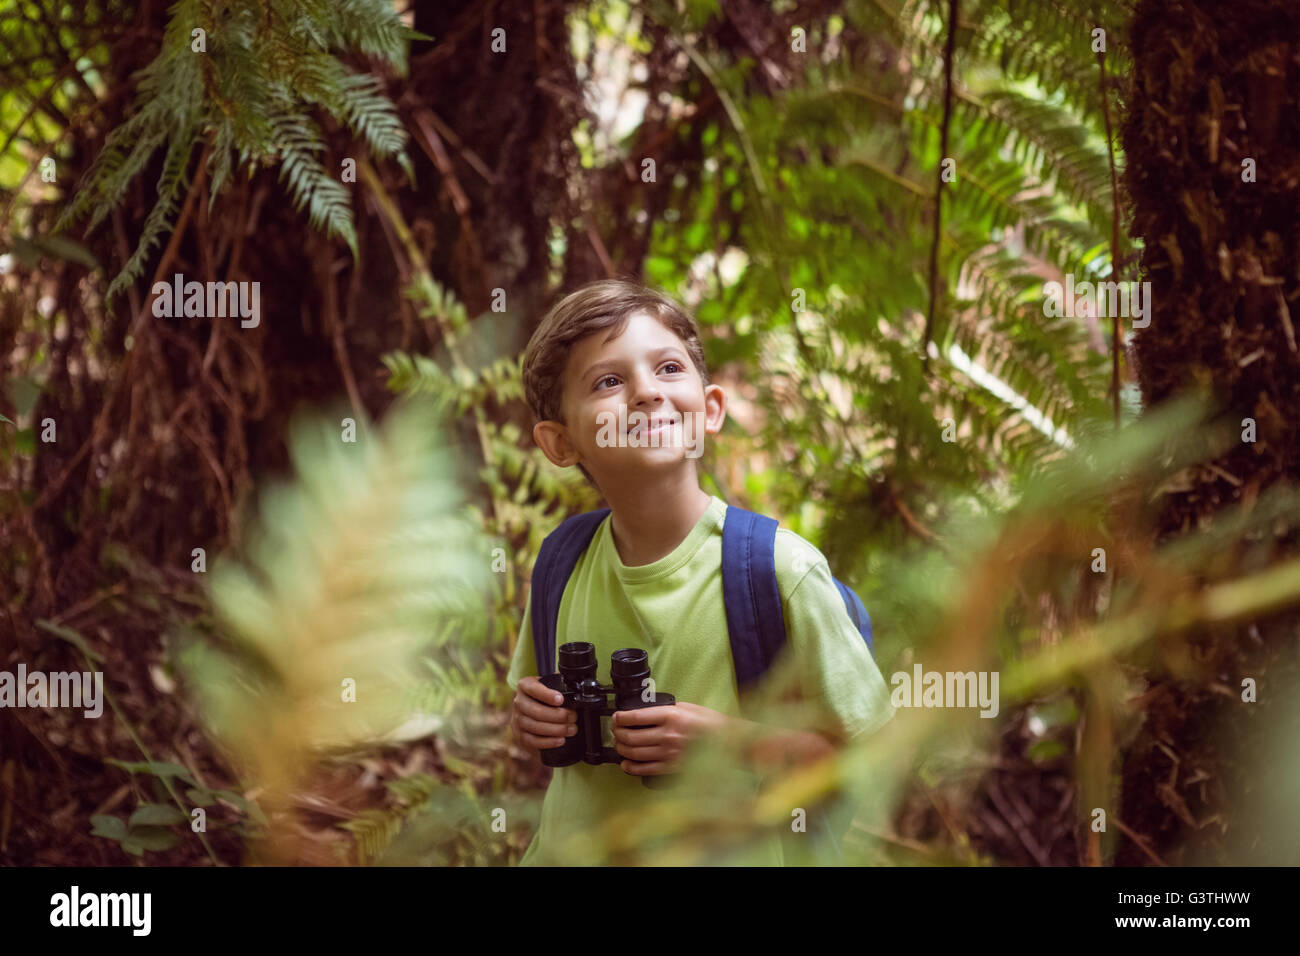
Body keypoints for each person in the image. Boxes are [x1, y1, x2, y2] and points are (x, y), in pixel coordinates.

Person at [506, 278, 894, 865]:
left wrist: (729, 742)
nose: (645, 393)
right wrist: (533, 720)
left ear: (709, 409)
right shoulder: (563, 562)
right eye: (609, 381)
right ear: (560, 443)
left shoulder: (779, 572)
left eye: (667, 369)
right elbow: (532, 710)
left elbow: (871, 761)